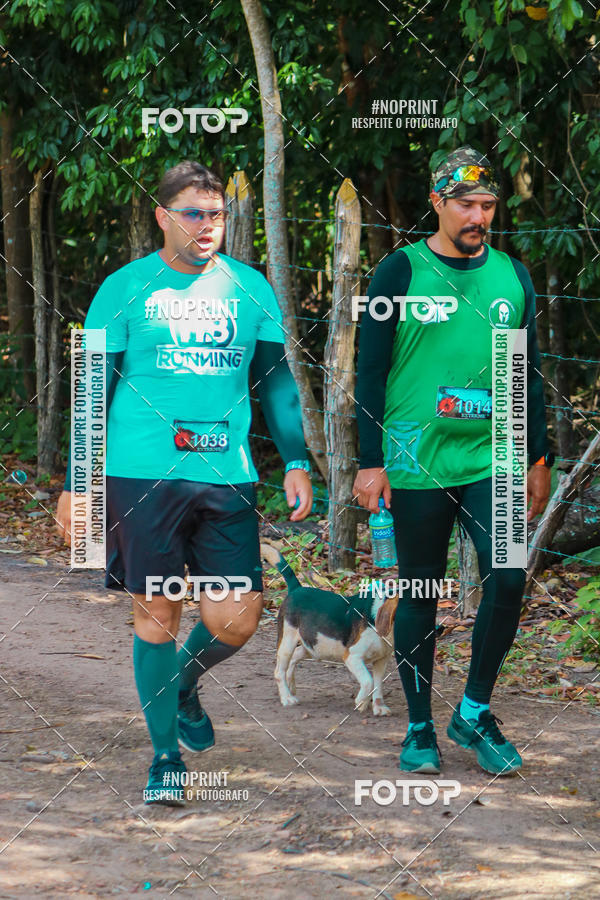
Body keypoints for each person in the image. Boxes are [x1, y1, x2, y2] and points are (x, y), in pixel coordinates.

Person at [56, 161, 312, 804]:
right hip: (141, 475)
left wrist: (297, 460)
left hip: (227, 474)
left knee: (238, 618)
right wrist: (77, 482)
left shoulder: (250, 287)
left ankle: (184, 683)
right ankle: (166, 758)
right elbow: (91, 387)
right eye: (194, 213)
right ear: (163, 216)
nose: (207, 225)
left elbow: (277, 382)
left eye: (217, 214)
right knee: (158, 612)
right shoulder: (124, 287)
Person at [353, 146, 553, 775]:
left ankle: (473, 711)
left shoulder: (512, 277)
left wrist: (538, 456)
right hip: (415, 457)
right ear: (437, 202)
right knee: (421, 589)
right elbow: (370, 370)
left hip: (494, 454)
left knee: (509, 575)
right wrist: (369, 460)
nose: (478, 216)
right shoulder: (399, 272)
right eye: (465, 204)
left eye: (487, 205)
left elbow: (526, 373)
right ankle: (419, 728)